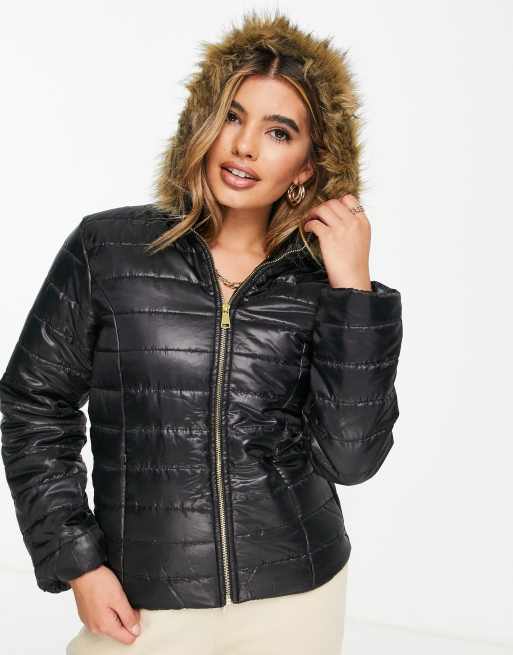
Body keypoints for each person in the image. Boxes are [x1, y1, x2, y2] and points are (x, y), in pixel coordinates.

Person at [0, 9, 402, 654]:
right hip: (142, 602)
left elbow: (351, 460)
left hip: (295, 599)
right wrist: (77, 560)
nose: (245, 146)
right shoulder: (109, 248)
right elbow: (33, 407)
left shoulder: (322, 285)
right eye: (232, 117)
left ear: (306, 166)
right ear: (203, 124)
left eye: (278, 132)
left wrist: (354, 290)